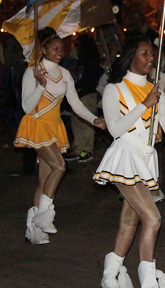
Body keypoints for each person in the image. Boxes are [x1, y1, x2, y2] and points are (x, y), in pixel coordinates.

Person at [93, 37, 165, 288]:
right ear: (131, 56)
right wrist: (144, 104)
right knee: (152, 219)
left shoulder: (156, 90)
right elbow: (115, 129)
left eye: (152, 54)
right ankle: (148, 287)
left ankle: (109, 276)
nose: (151, 58)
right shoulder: (114, 90)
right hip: (125, 160)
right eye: (144, 53)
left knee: (129, 222)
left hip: (146, 161)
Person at [15, 28, 105, 245]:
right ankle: (45, 215)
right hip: (37, 125)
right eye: (54, 48)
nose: (59, 52)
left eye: (61, 48)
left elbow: (75, 104)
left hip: (54, 128)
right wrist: (41, 86)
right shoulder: (33, 72)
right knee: (60, 166)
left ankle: (33, 229)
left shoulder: (65, 74)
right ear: (44, 49)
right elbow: (26, 106)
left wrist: (93, 119)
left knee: (44, 180)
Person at [66, 34, 105, 163]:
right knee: (76, 122)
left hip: (87, 95)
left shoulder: (92, 63)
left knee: (87, 124)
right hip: (79, 95)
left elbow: (91, 80)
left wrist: (80, 89)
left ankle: (87, 151)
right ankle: (78, 149)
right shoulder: (81, 61)